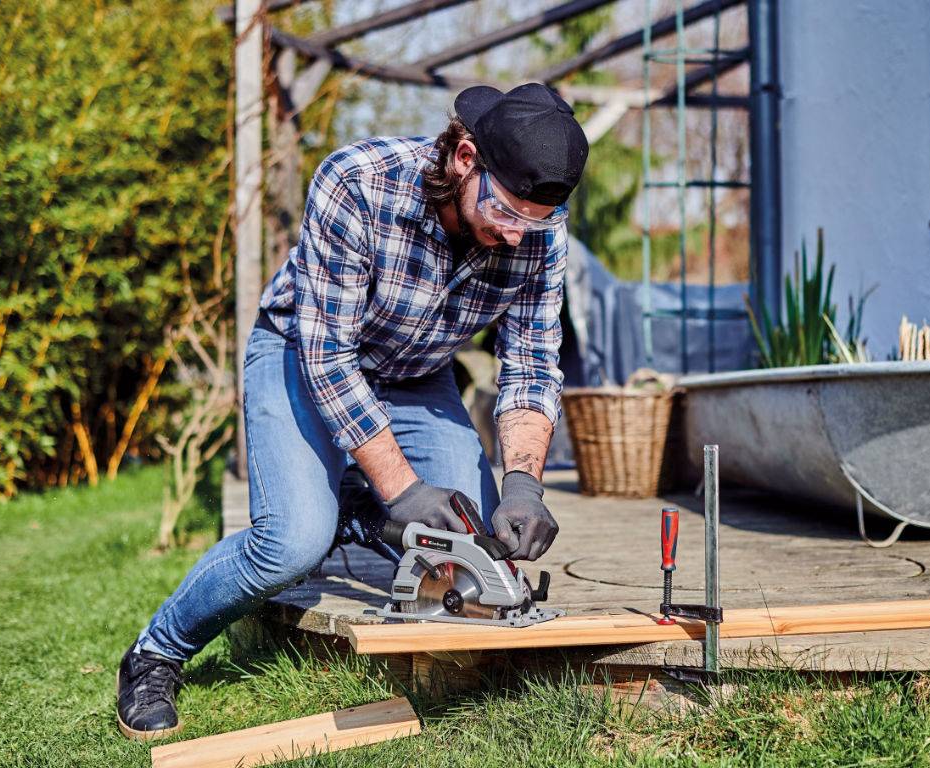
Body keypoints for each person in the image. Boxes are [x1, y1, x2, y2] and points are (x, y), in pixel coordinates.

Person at [116, 82, 589, 741]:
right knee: (292, 544)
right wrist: (401, 485)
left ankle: (359, 507)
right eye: (509, 212)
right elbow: (330, 355)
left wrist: (524, 486)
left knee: (476, 537)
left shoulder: (540, 234)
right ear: (467, 159)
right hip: (302, 354)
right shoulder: (359, 182)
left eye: (534, 221)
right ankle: (156, 652)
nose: (517, 236)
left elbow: (533, 363)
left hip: (418, 373)